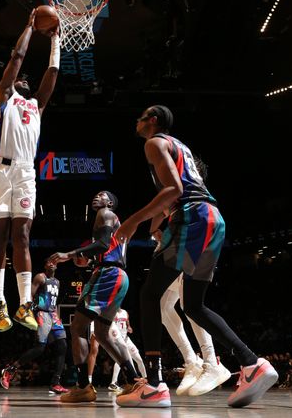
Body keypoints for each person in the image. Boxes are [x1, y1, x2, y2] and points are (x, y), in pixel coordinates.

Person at [115, 106, 277, 408]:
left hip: (193, 218)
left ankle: (153, 384)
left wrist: (133, 221)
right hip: (213, 219)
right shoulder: (180, 146)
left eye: (140, 116)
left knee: (150, 294)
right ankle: (251, 363)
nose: (135, 120)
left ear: (152, 121)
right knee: (194, 305)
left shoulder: (154, 143)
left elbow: (174, 190)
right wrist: (155, 222)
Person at [0, 9, 61, 333]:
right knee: (0, 236)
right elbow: (17, 57)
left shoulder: (37, 105)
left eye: (27, 80)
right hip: (1, 172)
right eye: (21, 78)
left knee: (23, 237)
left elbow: (52, 72)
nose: (25, 79)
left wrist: (56, 39)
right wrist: (29, 27)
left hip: (26, 173)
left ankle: (24, 305)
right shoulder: (5, 98)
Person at [47, 191, 140, 403]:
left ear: (110, 203)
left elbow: (104, 245)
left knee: (78, 327)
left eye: (102, 195)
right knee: (102, 332)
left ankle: (83, 386)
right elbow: (107, 248)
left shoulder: (105, 213)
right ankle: (134, 380)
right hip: (119, 276)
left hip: (108, 274)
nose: (96, 197)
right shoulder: (112, 221)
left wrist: (70, 254)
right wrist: (87, 259)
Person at [0, 260, 70, 395]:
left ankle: (55, 383)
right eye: (48, 262)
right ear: (45, 265)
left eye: (53, 262)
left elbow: (53, 301)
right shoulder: (40, 277)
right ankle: (11, 369)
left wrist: (56, 316)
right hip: (42, 313)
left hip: (54, 315)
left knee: (63, 346)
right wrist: (29, 311)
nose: (51, 263)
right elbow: (30, 295)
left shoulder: (57, 282)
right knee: (40, 348)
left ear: (56, 265)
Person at [160, 270, 230, 396]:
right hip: (172, 256)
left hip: (190, 255)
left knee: (190, 306)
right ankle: (192, 362)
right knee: (164, 309)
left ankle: (212, 362)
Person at [108, 308, 147, 393]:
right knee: (122, 360)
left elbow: (127, 321)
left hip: (126, 339)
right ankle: (114, 383)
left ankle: (146, 378)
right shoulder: (112, 312)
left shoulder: (125, 312)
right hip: (119, 340)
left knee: (139, 359)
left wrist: (129, 327)